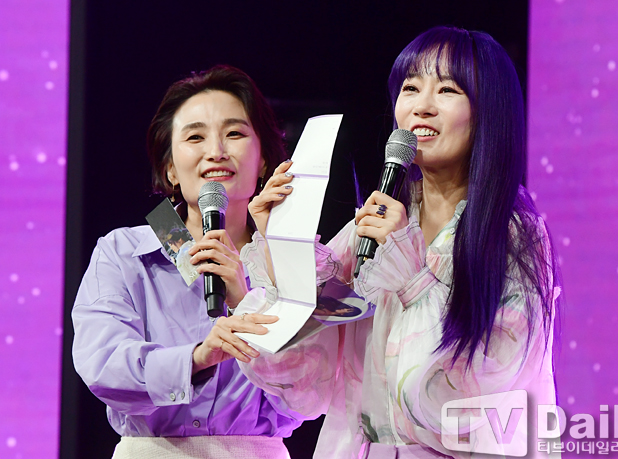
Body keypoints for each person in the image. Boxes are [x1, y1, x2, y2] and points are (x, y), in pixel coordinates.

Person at [237, 26, 561, 458]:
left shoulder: (513, 236)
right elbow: (304, 380)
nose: (422, 106)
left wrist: (411, 276)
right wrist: (280, 247)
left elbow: (462, 400)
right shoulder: (374, 226)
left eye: (447, 90)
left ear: (488, 112)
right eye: (410, 88)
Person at [72, 65, 301, 459]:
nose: (216, 151)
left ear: (264, 160)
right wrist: (195, 359)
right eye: (195, 136)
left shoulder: (291, 260)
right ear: (170, 170)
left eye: (234, 133)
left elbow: (309, 395)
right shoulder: (123, 252)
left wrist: (247, 298)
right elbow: (103, 366)